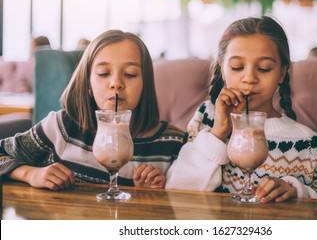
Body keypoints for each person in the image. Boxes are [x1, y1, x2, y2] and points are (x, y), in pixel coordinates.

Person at [166, 16, 317, 202]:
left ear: (282, 72)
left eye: (264, 68)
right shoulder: (206, 118)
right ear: (222, 68)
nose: (249, 78)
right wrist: (217, 134)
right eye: (237, 67)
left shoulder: (307, 143)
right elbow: (177, 191)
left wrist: (298, 192)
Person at [0, 30, 186, 191]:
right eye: (104, 74)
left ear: (145, 84)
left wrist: (155, 191)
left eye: (130, 74)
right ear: (88, 83)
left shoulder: (172, 143)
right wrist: (31, 174)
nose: (116, 84)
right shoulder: (62, 129)